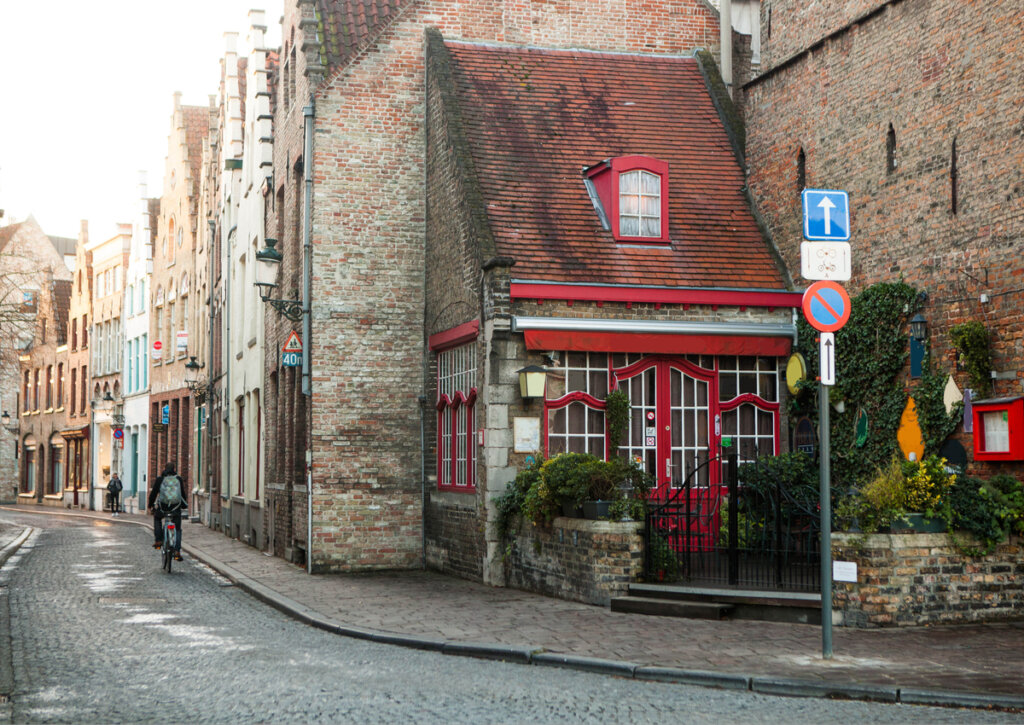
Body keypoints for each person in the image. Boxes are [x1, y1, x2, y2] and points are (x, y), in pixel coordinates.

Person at [148, 462, 187, 561]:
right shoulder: (178, 479)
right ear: (174, 469)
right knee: (177, 529)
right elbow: (182, 494)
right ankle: (177, 551)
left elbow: (153, 494)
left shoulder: (160, 480)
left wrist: (150, 505)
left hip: (163, 507)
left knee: (157, 518)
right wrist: (183, 505)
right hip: (175, 508)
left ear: (164, 469)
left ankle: (158, 540)